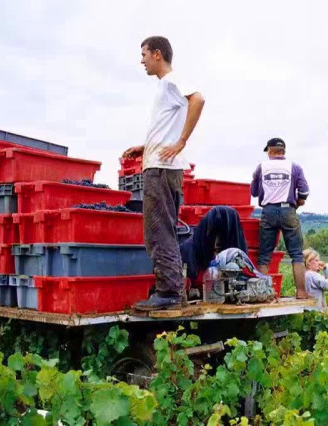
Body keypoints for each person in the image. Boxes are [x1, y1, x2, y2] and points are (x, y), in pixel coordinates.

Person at [125, 36, 206, 311]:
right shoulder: (166, 87)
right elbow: (167, 126)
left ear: (157, 54)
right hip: (163, 166)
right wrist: (145, 146)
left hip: (160, 169)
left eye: (144, 54)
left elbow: (199, 99)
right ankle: (172, 291)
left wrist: (182, 141)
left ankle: (169, 292)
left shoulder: (171, 81)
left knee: (157, 231)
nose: (142, 60)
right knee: (165, 229)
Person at [251, 138, 311, 299]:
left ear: (270, 151)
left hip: (268, 210)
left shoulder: (261, 167)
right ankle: (301, 292)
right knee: (297, 254)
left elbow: (254, 192)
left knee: (264, 255)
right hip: (288, 210)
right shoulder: (295, 167)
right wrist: (298, 201)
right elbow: (304, 191)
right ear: (283, 151)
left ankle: (262, 294)